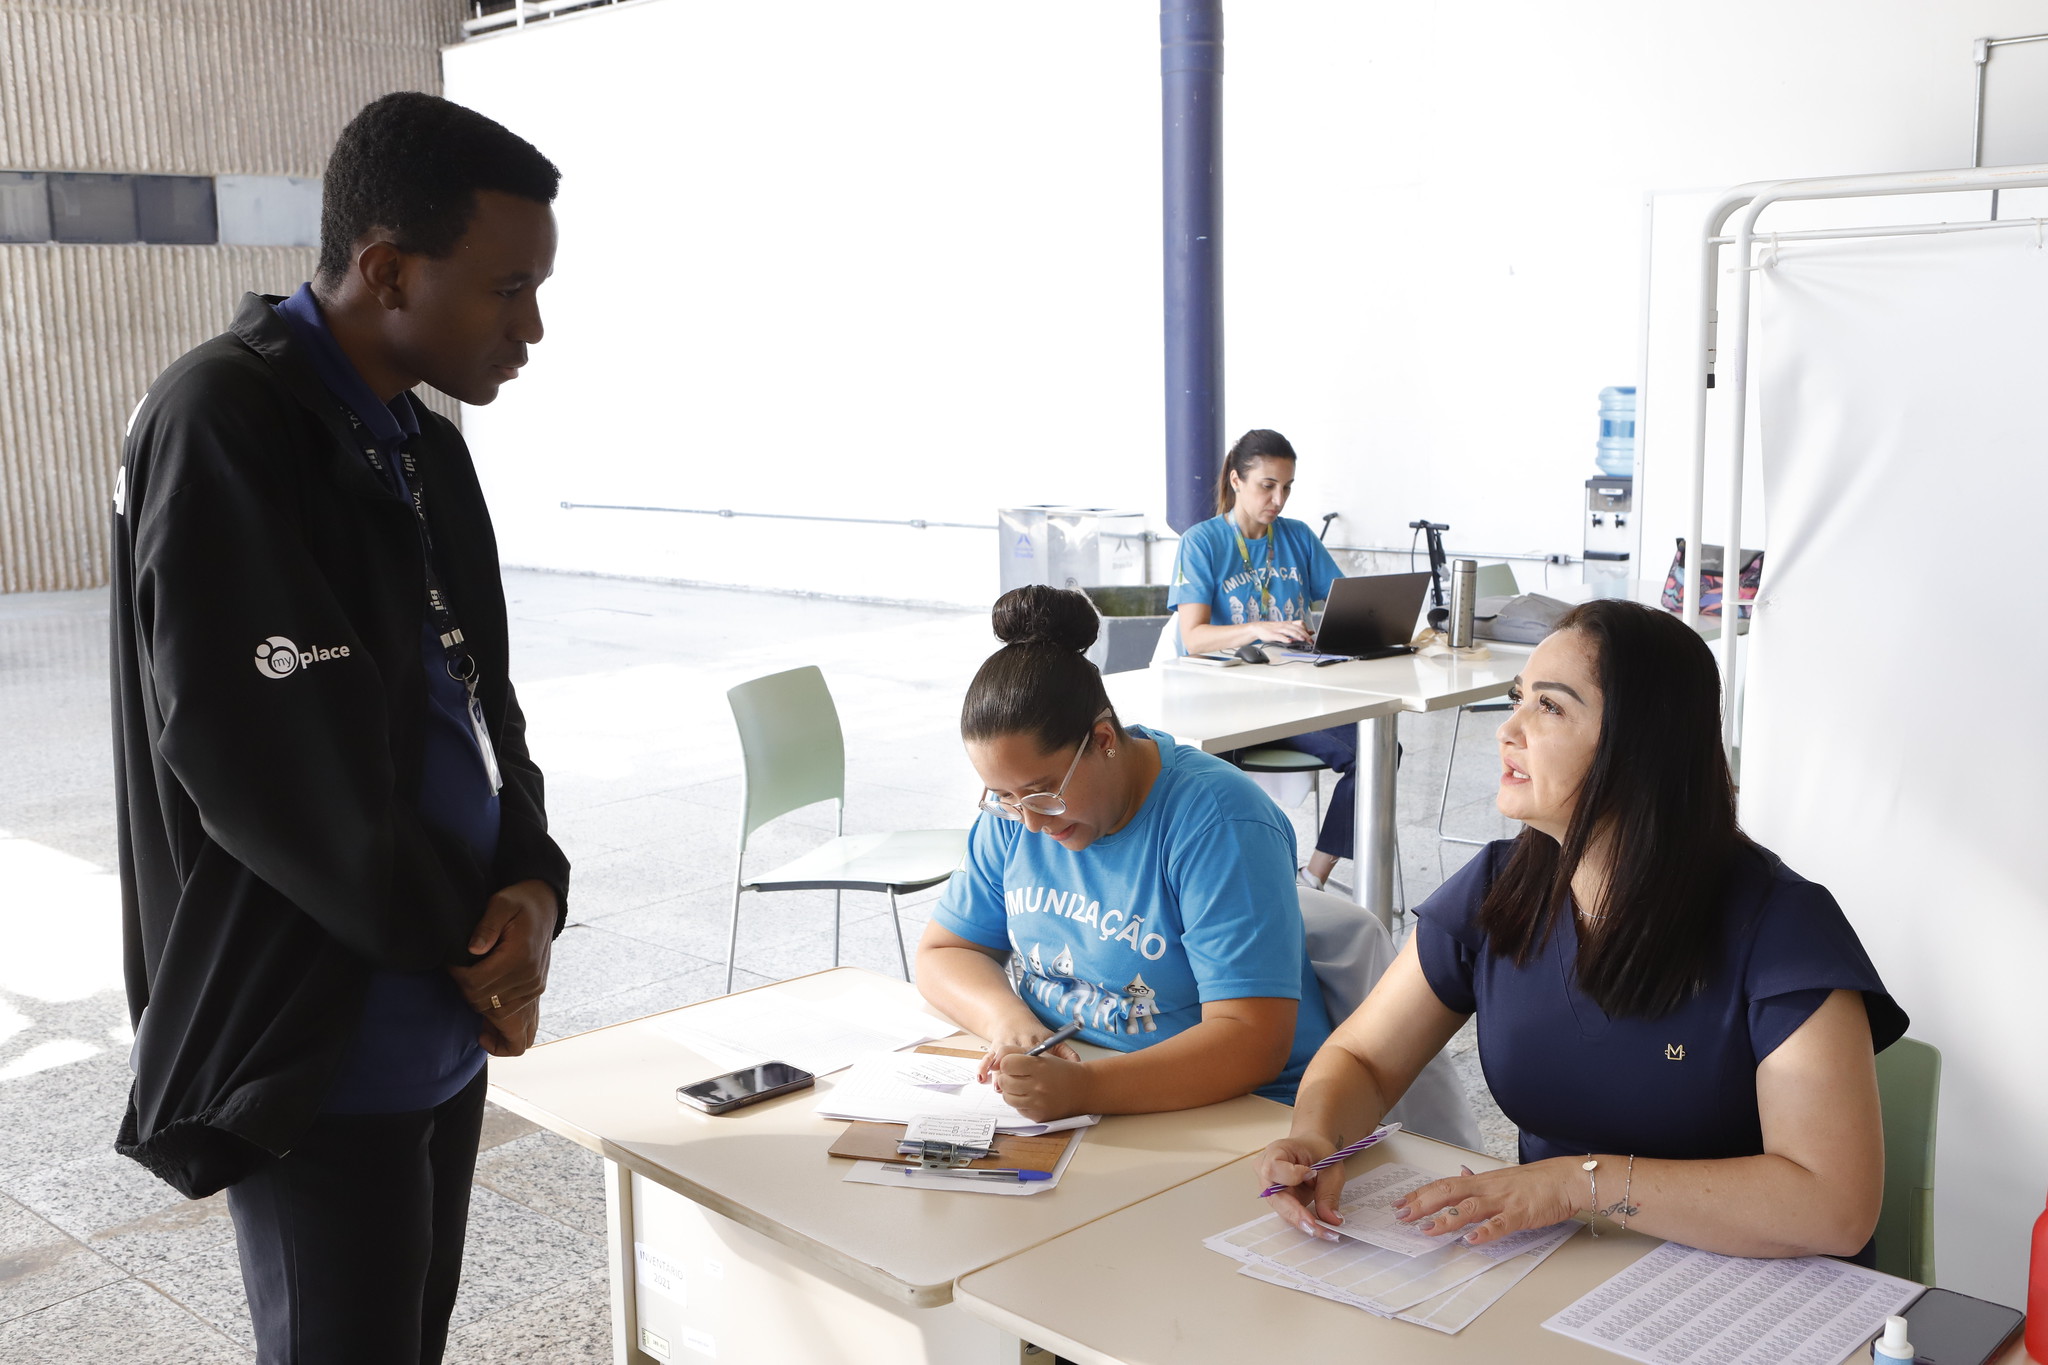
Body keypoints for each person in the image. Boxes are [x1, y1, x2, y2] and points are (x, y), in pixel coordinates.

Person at [109, 93, 570, 1364]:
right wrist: (469, 942)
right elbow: (259, 766)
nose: (531, 328)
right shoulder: (224, 418)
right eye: (507, 290)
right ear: (387, 269)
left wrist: (534, 888)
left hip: (445, 1013)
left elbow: (485, 702)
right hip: (315, 1034)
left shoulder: (424, 445)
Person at [1256, 599, 1907, 1262]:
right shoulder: (1498, 888)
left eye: (1550, 706)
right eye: (1518, 698)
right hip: (1560, 1267)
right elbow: (1363, 1059)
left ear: (1640, 748)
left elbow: (1833, 1207)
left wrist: (1577, 1184)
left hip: (1751, 1283)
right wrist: (1316, 1138)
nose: (1508, 729)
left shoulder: (1782, 925)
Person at [914, 585, 1334, 1121]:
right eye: (1004, 797)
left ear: (1104, 739)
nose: (1032, 822)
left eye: (1043, 792)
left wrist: (1086, 1089)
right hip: (1078, 1087)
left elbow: (1251, 1041)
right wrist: (1009, 1022)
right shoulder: (1015, 816)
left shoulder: (1218, 823)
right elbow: (946, 951)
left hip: (1234, 1110)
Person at [1167, 428, 1355, 890]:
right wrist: (1258, 628)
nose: (1279, 499)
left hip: (1295, 697)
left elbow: (1346, 603)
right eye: (1267, 486)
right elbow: (1193, 637)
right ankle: (1226, 884)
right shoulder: (1201, 542)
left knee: (1376, 753)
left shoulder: (1297, 537)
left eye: (1287, 487)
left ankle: (1312, 878)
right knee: (1210, 782)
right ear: (1236, 480)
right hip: (1226, 703)